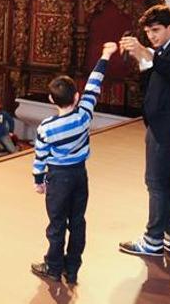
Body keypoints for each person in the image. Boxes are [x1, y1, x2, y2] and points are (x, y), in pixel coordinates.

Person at [30, 42, 115, 283]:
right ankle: (73, 268)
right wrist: (105, 55)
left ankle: (54, 267)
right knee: (77, 221)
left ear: (50, 99)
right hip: (79, 175)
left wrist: (38, 181)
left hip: (58, 178)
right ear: (76, 97)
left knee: (56, 224)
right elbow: (94, 84)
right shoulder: (85, 114)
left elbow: (40, 157)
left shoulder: (46, 128)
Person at [118, 5, 170, 257]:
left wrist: (145, 51)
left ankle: (152, 239)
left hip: (168, 127)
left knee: (156, 183)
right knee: (169, 182)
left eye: (156, 30)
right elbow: (154, 75)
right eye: (148, 31)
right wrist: (141, 56)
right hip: (163, 125)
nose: (151, 35)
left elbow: (169, 69)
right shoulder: (165, 49)